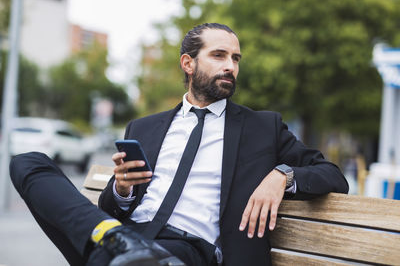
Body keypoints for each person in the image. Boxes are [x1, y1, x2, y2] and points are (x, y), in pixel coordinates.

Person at [10, 23, 348, 266]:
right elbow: (114, 206)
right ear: (188, 63)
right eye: (219, 55)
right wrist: (123, 190)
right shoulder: (144, 127)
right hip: (125, 238)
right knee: (27, 162)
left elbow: (332, 175)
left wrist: (282, 176)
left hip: (188, 250)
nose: (230, 66)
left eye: (236, 58)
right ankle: (117, 240)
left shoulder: (263, 127)